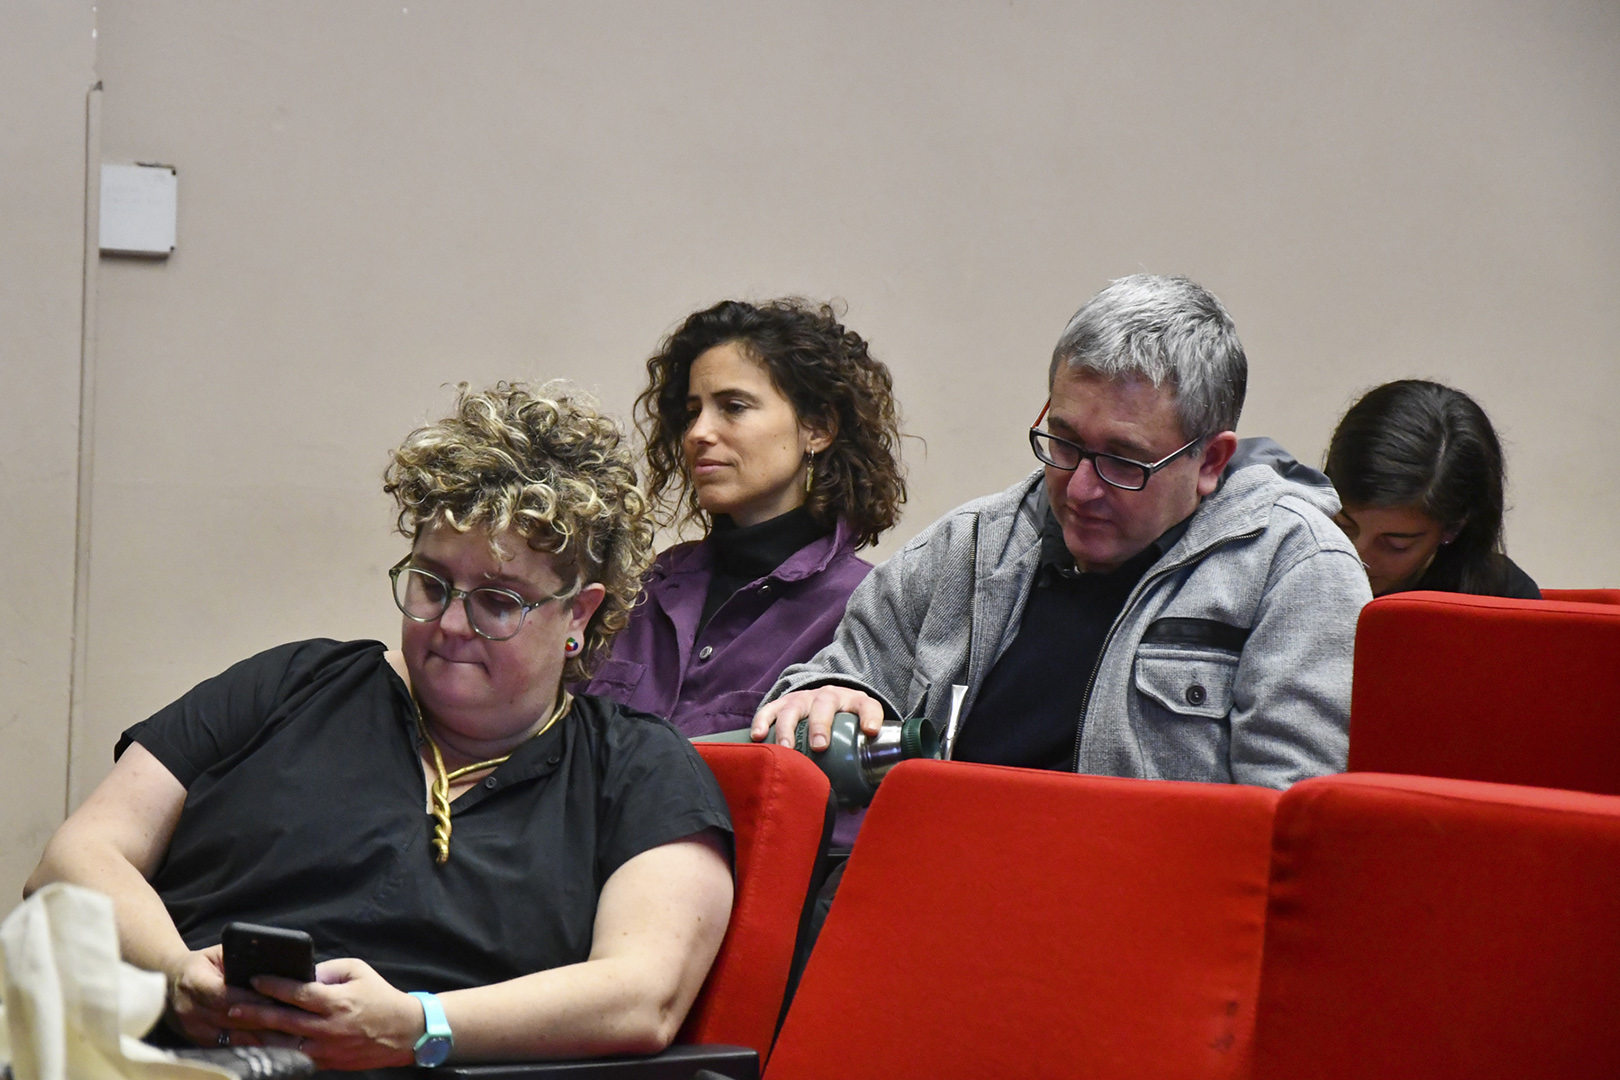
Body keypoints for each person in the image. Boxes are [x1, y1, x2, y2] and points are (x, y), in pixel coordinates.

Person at [25, 383, 735, 1074]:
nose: (450, 624)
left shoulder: (637, 767)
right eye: (431, 584)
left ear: (579, 612)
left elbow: (644, 996)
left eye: (497, 601)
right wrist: (175, 971)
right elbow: (72, 859)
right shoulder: (291, 685)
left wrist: (419, 1026)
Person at [754, 274, 1371, 791]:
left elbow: (1291, 826)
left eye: (1123, 461)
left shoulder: (1295, 569)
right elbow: (836, 677)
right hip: (938, 877)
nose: (1079, 490)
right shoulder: (970, 546)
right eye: (1065, 443)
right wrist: (825, 696)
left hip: (1143, 893)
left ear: (1210, 461)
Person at [583, 299, 905, 740]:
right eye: (692, 412)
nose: (698, 433)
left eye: (733, 406)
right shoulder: (641, 589)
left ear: (817, 429)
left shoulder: (865, 611)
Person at [1323, 379, 1540, 599]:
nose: (1357, 555)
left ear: (1453, 528)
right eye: (1342, 526)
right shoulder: (1302, 569)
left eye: (1396, 544)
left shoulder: (1503, 598)